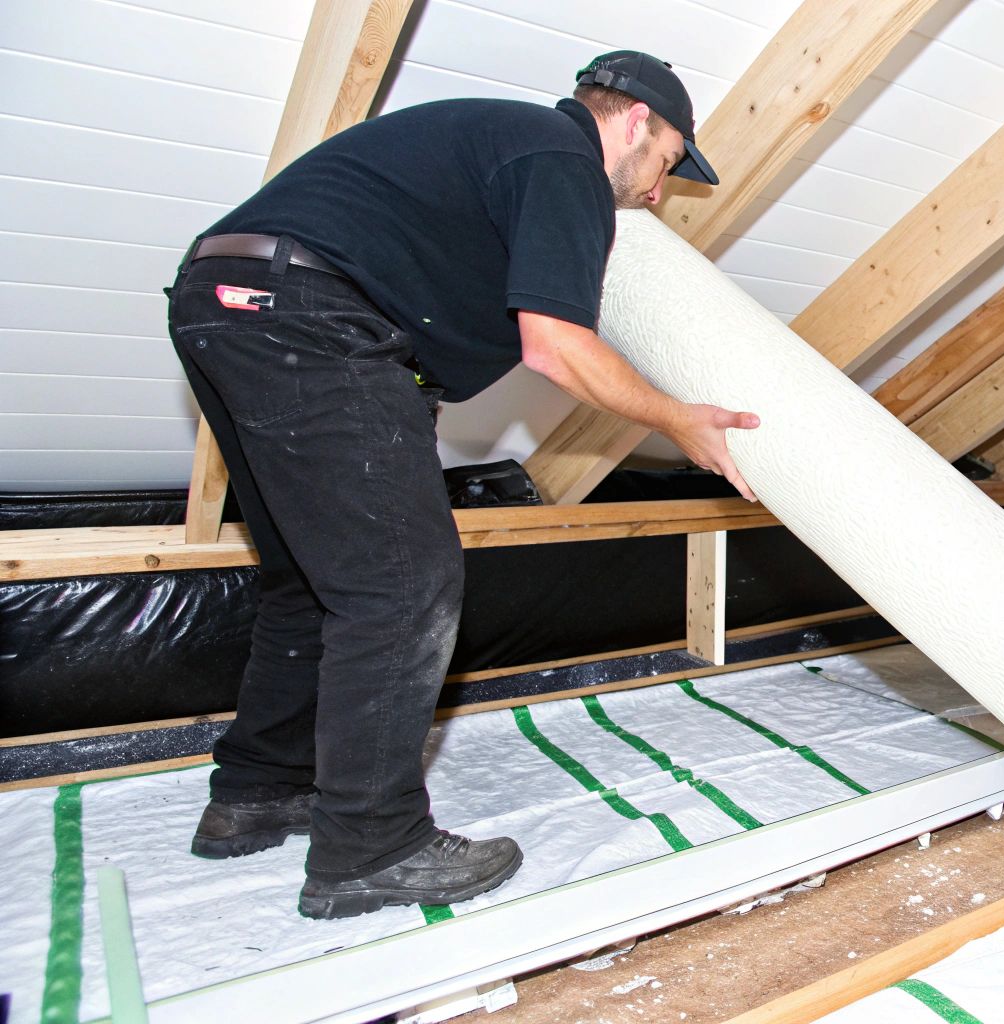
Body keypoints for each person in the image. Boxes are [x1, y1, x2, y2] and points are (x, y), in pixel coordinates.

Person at [169, 51, 758, 920]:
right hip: (311, 318)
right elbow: (556, 345)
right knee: (404, 588)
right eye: (667, 161)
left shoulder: (501, 145)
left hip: (228, 298)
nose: (657, 191)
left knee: (311, 584)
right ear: (634, 121)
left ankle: (258, 793)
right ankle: (371, 848)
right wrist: (680, 420)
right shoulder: (562, 158)